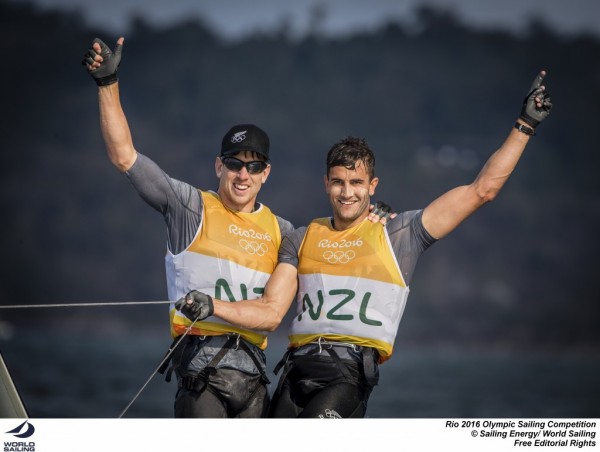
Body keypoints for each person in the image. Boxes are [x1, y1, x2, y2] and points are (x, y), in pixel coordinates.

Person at [179, 70, 552, 417]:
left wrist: (525, 126)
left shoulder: (399, 234)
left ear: (372, 187)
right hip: (294, 373)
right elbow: (272, 308)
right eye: (339, 182)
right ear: (326, 183)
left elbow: (481, 191)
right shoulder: (300, 236)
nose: (347, 193)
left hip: (347, 378)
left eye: (357, 184)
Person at [81, 36, 392, 418]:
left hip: (255, 386)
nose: (243, 174)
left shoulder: (283, 231)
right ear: (219, 166)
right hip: (201, 376)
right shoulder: (188, 207)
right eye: (234, 163)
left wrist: (376, 216)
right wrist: (107, 84)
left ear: (266, 173)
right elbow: (124, 156)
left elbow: (335, 253)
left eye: (254, 166)